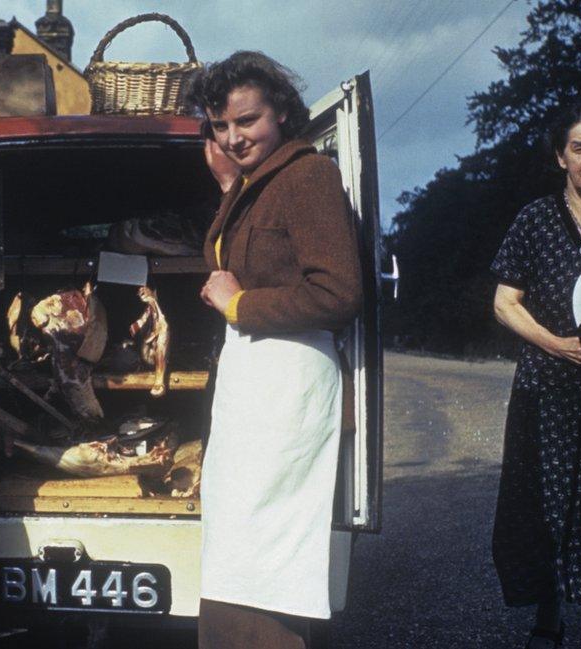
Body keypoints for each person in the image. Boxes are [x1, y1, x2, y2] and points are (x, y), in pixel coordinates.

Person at [189, 51, 363, 649]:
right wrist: (229, 189)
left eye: (247, 121)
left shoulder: (307, 176)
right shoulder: (254, 183)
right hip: (254, 380)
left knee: (267, 567)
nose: (234, 138)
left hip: (288, 383)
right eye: (220, 126)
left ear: (282, 114)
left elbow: (339, 293)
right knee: (237, 554)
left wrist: (241, 306)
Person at [491, 99, 581, 649]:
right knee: (546, 505)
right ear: (561, 157)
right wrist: (557, 345)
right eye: (580, 148)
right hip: (544, 391)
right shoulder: (534, 220)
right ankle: (549, 622)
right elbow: (506, 303)